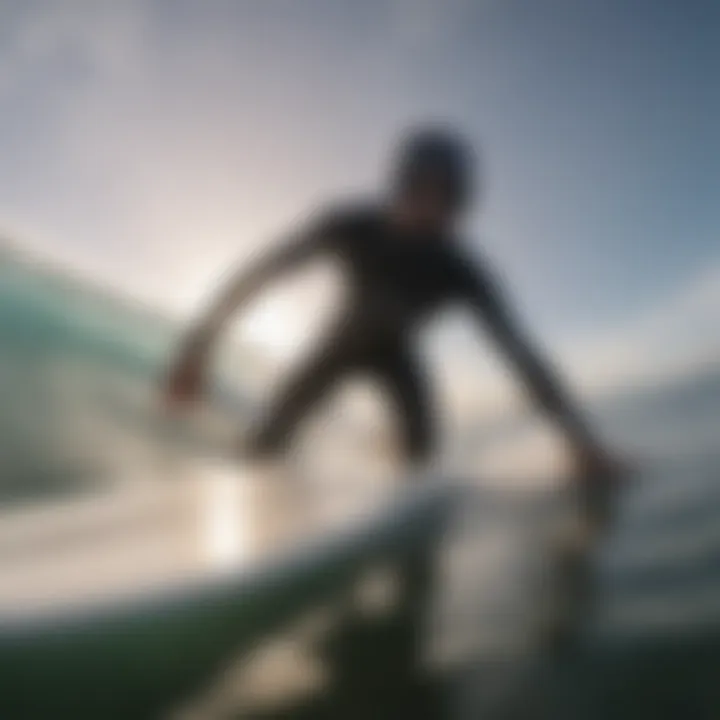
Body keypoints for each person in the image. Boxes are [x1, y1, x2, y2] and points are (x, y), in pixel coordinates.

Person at [164, 125, 620, 532]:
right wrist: (195, 354)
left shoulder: (460, 269)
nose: (430, 208)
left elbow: (521, 355)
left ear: (462, 205)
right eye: (420, 188)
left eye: (448, 197)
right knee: (260, 453)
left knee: (423, 466)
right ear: (398, 184)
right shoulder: (349, 225)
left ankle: (387, 452)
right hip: (337, 347)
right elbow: (259, 274)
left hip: (398, 359)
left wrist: (581, 443)